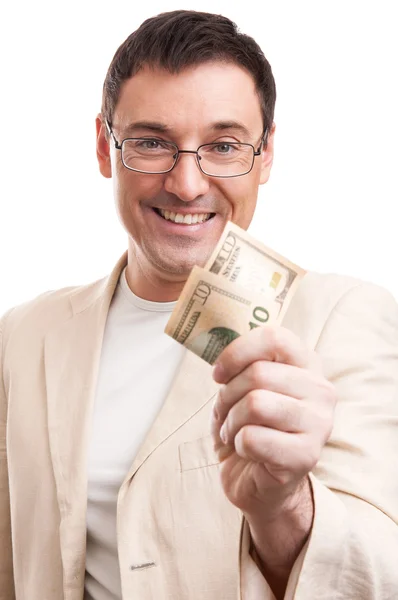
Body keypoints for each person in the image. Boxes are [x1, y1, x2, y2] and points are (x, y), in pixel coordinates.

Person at [1, 9, 398, 600]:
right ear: (104, 149)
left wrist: (284, 506)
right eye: (152, 142)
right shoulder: (23, 336)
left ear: (264, 158)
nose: (187, 184)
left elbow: (382, 576)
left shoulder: (343, 318)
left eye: (224, 145)